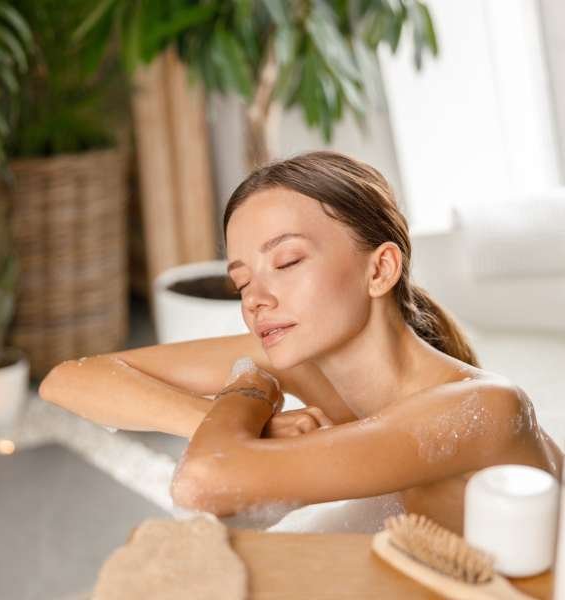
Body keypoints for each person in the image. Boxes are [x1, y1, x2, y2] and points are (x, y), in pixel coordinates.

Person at [39, 150, 562, 536]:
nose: (256, 299)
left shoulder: (485, 407)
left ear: (379, 269)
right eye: (241, 281)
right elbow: (69, 379)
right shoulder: (312, 360)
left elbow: (203, 481)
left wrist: (248, 388)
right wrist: (239, 419)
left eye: (287, 262)